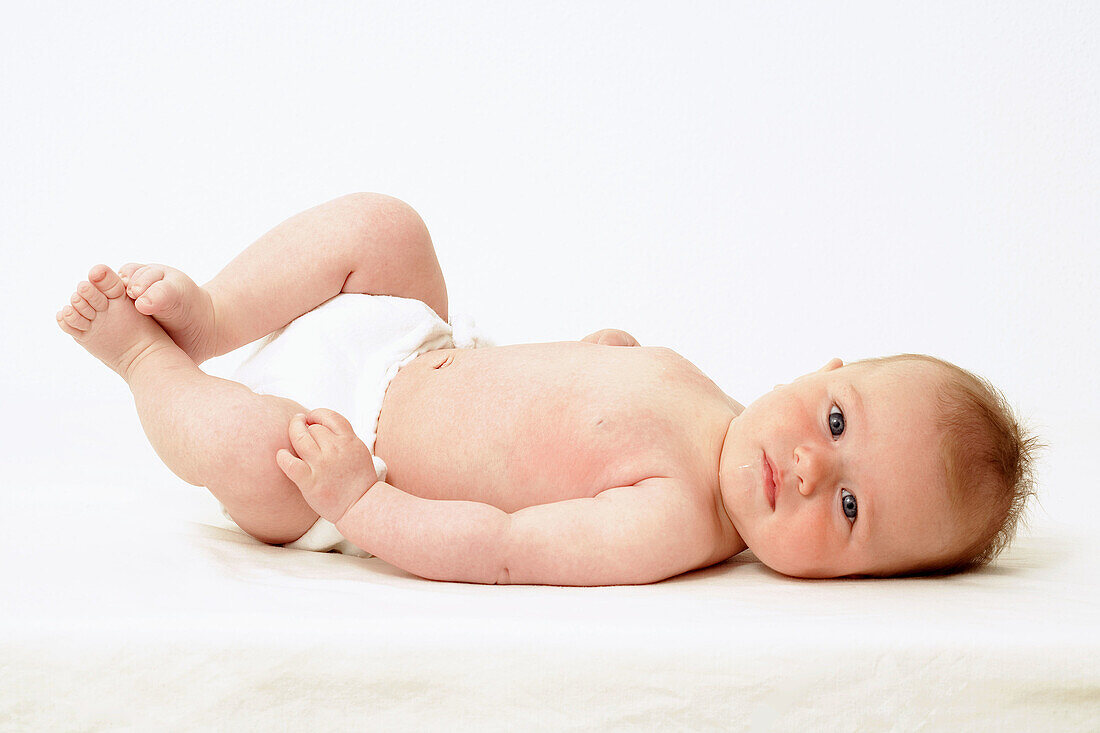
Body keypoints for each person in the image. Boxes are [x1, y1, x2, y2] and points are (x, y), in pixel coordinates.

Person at [55, 194, 1044, 585]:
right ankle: (218, 314)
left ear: (852, 579)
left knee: (243, 451)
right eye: (835, 422)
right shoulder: (711, 402)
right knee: (386, 229)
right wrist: (596, 351)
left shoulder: (671, 522)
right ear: (825, 372)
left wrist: (358, 499)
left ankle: (150, 361)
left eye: (848, 504)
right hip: (414, 345)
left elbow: (506, 548)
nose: (807, 460)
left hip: (339, 447)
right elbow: (579, 397)